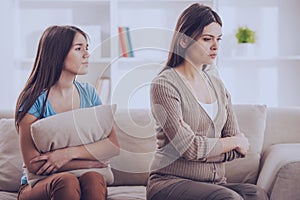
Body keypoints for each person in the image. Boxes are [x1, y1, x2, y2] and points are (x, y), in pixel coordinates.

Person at [147, 3, 268, 200]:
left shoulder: (217, 86)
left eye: (218, 39)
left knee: (257, 194)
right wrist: (232, 142)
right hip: (170, 182)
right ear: (184, 41)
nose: (215, 46)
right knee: (230, 198)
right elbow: (190, 148)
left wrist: (212, 146)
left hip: (213, 184)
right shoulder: (164, 85)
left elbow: (240, 150)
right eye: (207, 39)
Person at [15, 25, 120, 200]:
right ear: (57, 53)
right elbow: (34, 164)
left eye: (86, 48)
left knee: (94, 178)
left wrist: (66, 154)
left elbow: (112, 145)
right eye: (79, 49)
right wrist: (87, 162)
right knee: (67, 181)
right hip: (37, 185)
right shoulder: (33, 99)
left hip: (84, 176)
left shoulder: (90, 94)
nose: (87, 54)